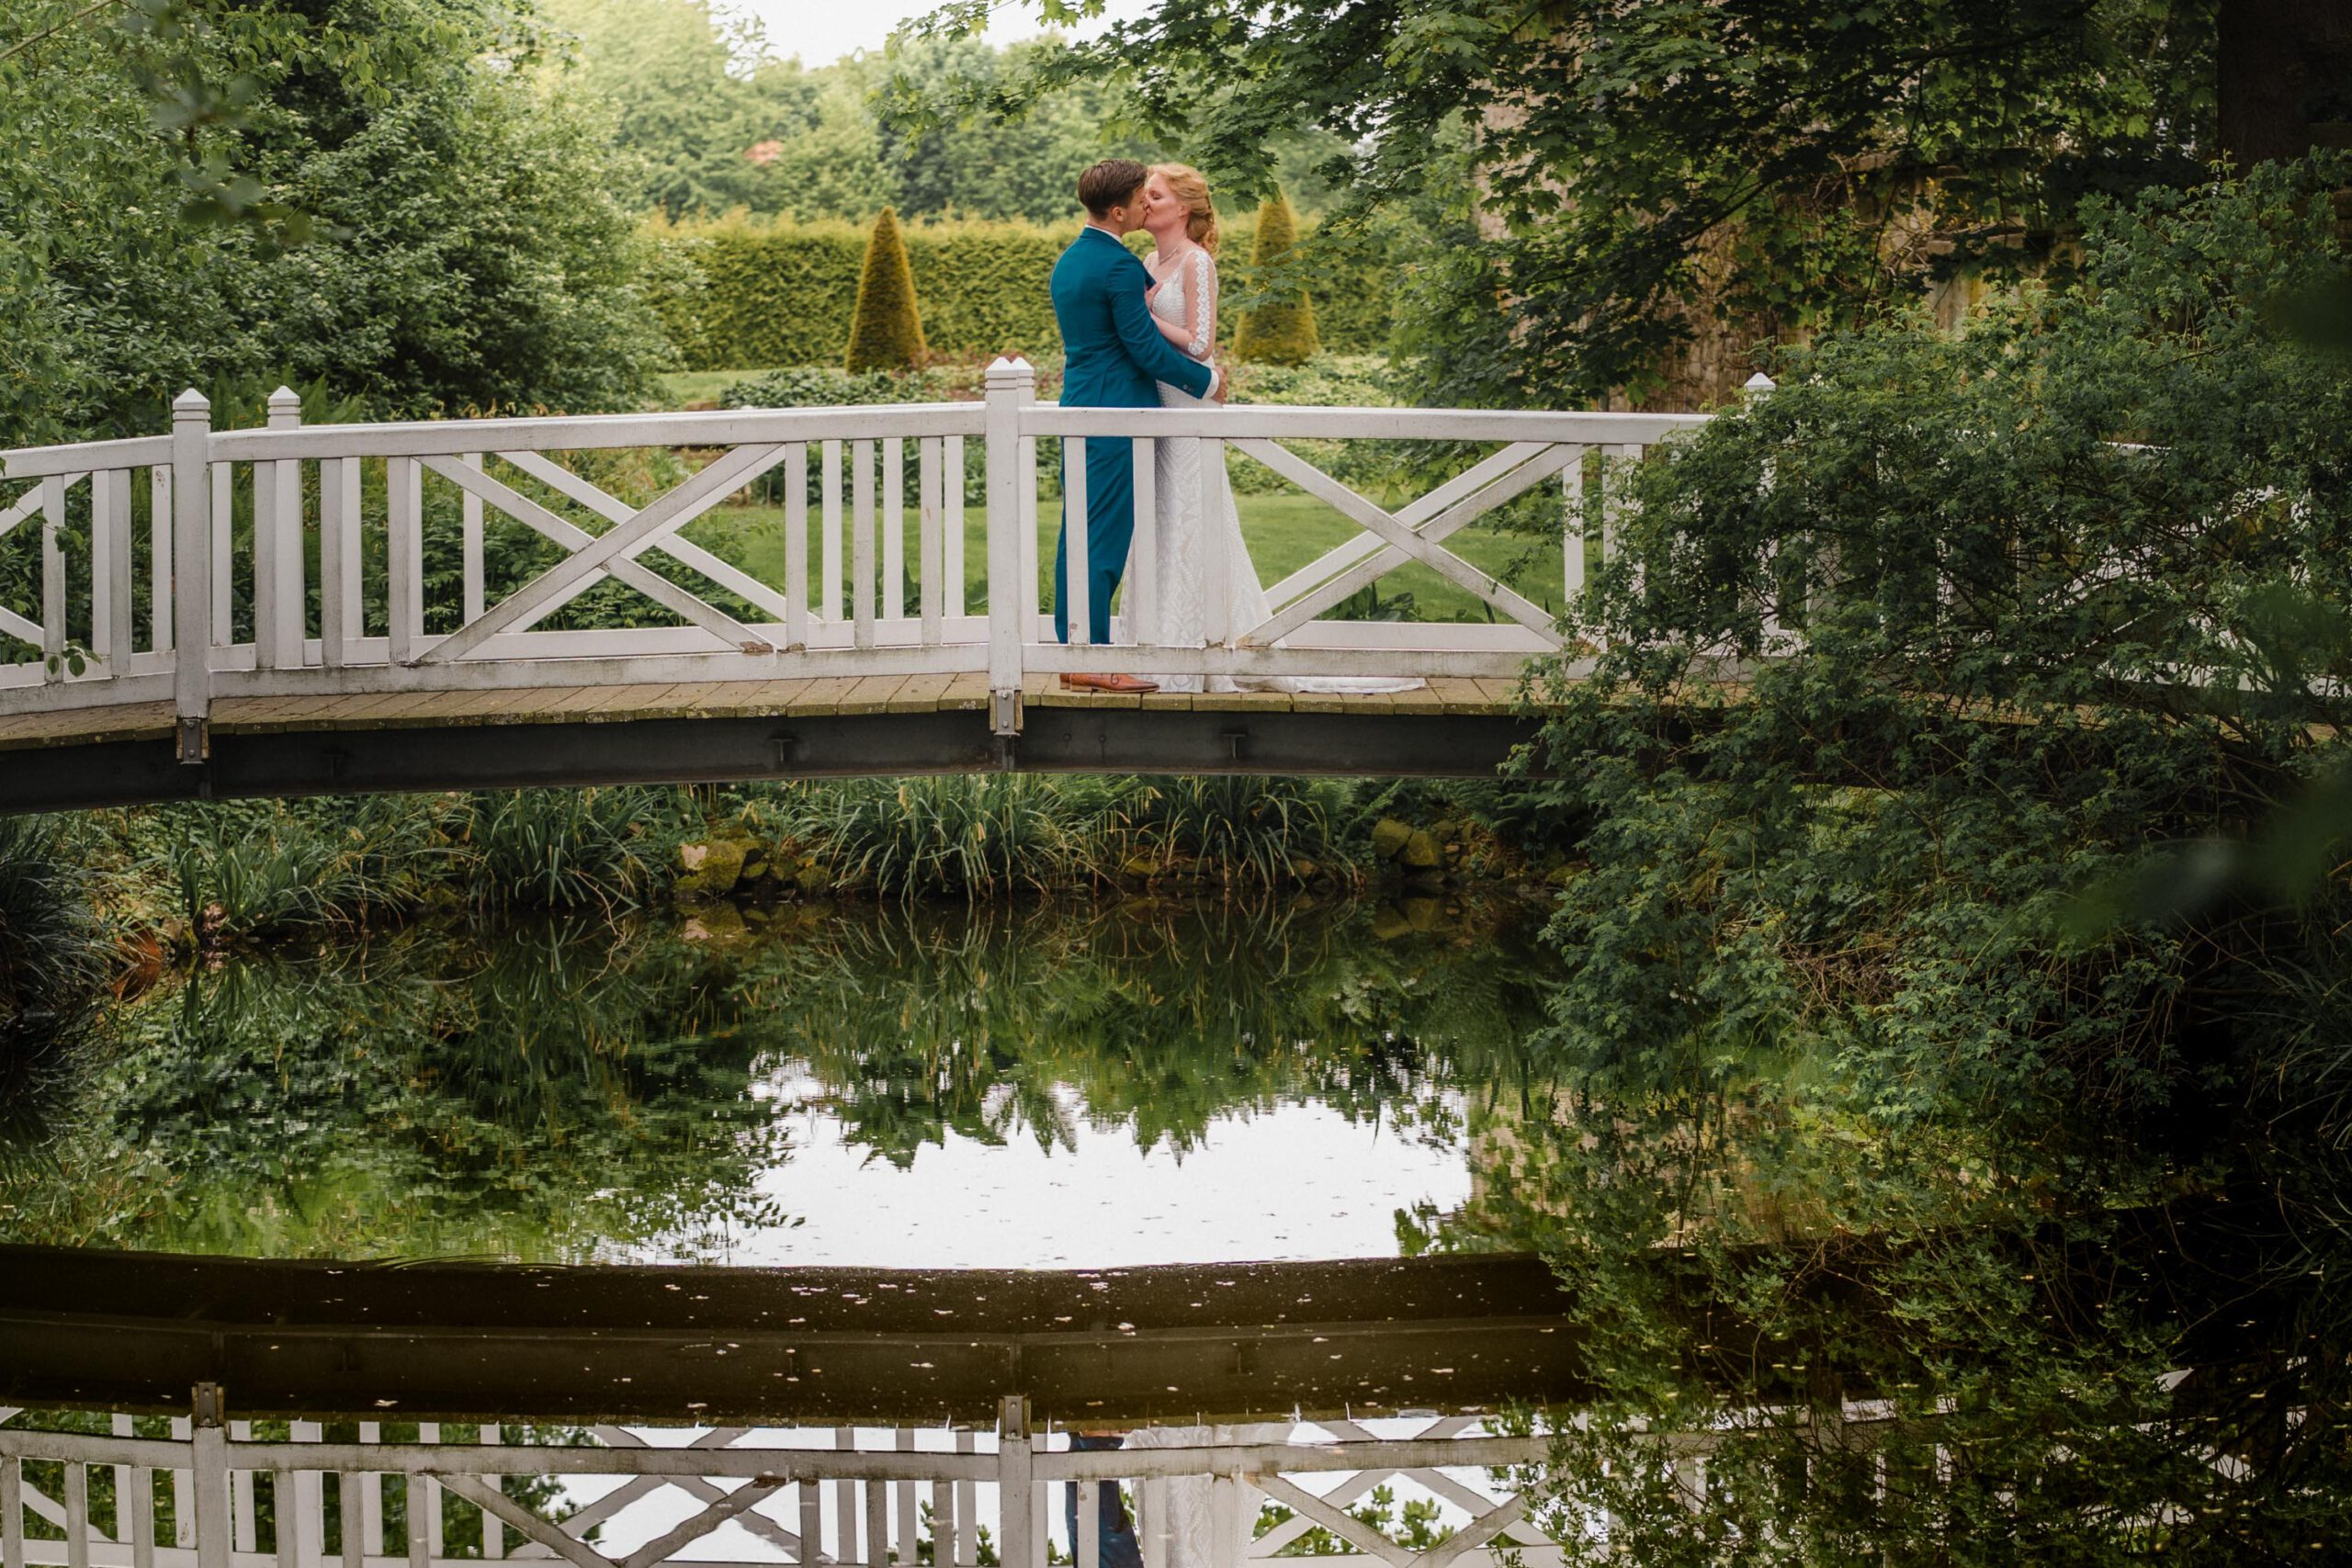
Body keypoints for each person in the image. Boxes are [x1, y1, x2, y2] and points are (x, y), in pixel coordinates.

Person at [1134, 164, 1421, 696]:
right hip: (1158, 407)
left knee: (1196, 518)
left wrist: (1143, 318)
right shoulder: (1152, 260)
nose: (1144, 202)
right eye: (1145, 195)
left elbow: (1200, 346)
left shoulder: (1198, 263)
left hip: (1191, 408)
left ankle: (1207, 650)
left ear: (1185, 208)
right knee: (1162, 520)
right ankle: (1161, 643)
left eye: (1155, 195)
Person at [1050, 160, 1224, 694]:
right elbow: (1143, 348)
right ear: (1120, 210)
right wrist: (1206, 382)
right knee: (1103, 538)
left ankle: (1077, 647)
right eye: (1141, 198)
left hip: (1080, 402)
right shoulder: (1121, 266)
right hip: (1116, 411)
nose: (1148, 205)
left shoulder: (1070, 261)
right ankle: (1093, 659)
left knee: (1078, 531)